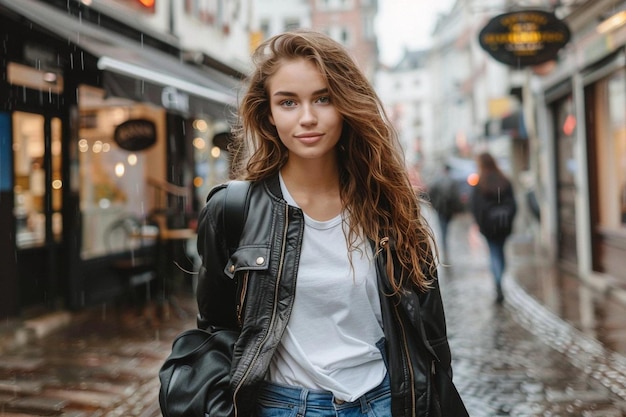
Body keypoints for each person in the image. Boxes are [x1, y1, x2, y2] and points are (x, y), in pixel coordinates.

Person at [196, 30, 469, 416]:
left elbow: (430, 337)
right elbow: (215, 329)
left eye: (322, 98)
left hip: (383, 403)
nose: (307, 118)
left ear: (345, 104)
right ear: (269, 114)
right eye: (288, 102)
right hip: (282, 407)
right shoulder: (233, 209)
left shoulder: (389, 207)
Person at [469, 152, 517, 304]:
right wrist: (508, 218)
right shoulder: (504, 180)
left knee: (494, 253)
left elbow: (475, 206)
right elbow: (513, 204)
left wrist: (481, 223)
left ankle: (497, 282)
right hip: (503, 224)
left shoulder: (480, 183)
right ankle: (499, 278)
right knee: (500, 252)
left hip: (489, 227)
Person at [428, 163, 463, 258]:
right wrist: (458, 209)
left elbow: (431, 194)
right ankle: (445, 242)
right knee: (446, 226)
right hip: (449, 210)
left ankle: (444, 243)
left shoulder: (436, 181)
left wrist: (433, 205)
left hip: (440, 208)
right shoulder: (453, 181)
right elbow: (456, 197)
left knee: (442, 226)